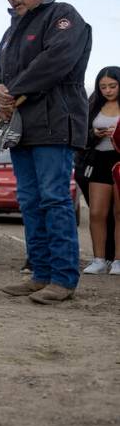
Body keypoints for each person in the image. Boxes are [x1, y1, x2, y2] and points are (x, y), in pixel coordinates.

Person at [0, 0, 92, 304]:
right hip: (22, 128)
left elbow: (55, 61)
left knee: (53, 198)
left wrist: (13, 89)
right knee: (30, 201)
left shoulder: (63, 16)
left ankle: (63, 278)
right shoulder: (11, 29)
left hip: (55, 125)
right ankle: (41, 274)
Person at [77, 66, 120, 275]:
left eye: (112, 86)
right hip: (99, 161)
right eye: (103, 87)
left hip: (119, 162)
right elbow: (83, 134)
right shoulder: (93, 105)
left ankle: (118, 261)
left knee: (119, 213)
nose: (108, 90)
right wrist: (95, 133)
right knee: (96, 212)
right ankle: (99, 259)